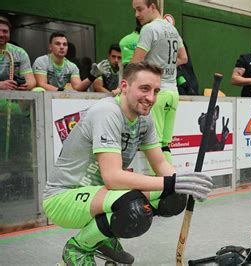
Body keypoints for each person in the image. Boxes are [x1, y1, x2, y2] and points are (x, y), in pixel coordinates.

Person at [42, 61, 213, 265]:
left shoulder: (144, 120)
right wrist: (171, 182)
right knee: (133, 208)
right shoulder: (107, 112)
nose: (151, 98)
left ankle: (102, 238)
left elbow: (160, 163)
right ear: (124, 86)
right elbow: (113, 177)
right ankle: (78, 248)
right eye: (144, 89)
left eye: (156, 91)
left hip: (99, 193)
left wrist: (185, 183)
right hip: (64, 197)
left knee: (174, 196)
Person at [131, 0, 188, 164]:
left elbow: (135, 63)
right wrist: (165, 65)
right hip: (173, 93)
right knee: (164, 145)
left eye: (140, 9)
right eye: (135, 10)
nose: (137, 14)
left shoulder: (149, 29)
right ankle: (170, 184)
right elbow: (183, 58)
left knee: (152, 145)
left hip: (157, 93)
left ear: (152, 7)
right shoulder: (173, 29)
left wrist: (122, 87)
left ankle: (160, 188)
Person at [32, 32, 109, 92]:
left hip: (57, 99)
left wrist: (92, 76)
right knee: (38, 90)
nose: (62, 47)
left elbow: (78, 87)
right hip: (40, 100)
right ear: (50, 47)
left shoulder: (72, 66)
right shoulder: (41, 61)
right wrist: (63, 91)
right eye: (58, 44)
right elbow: (41, 84)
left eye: (65, 44)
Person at [0, 16, 36, 91]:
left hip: (12, 98)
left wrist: (26, 85)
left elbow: (31, 81)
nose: (1, 34)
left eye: (5, 31)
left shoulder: (20, 53)